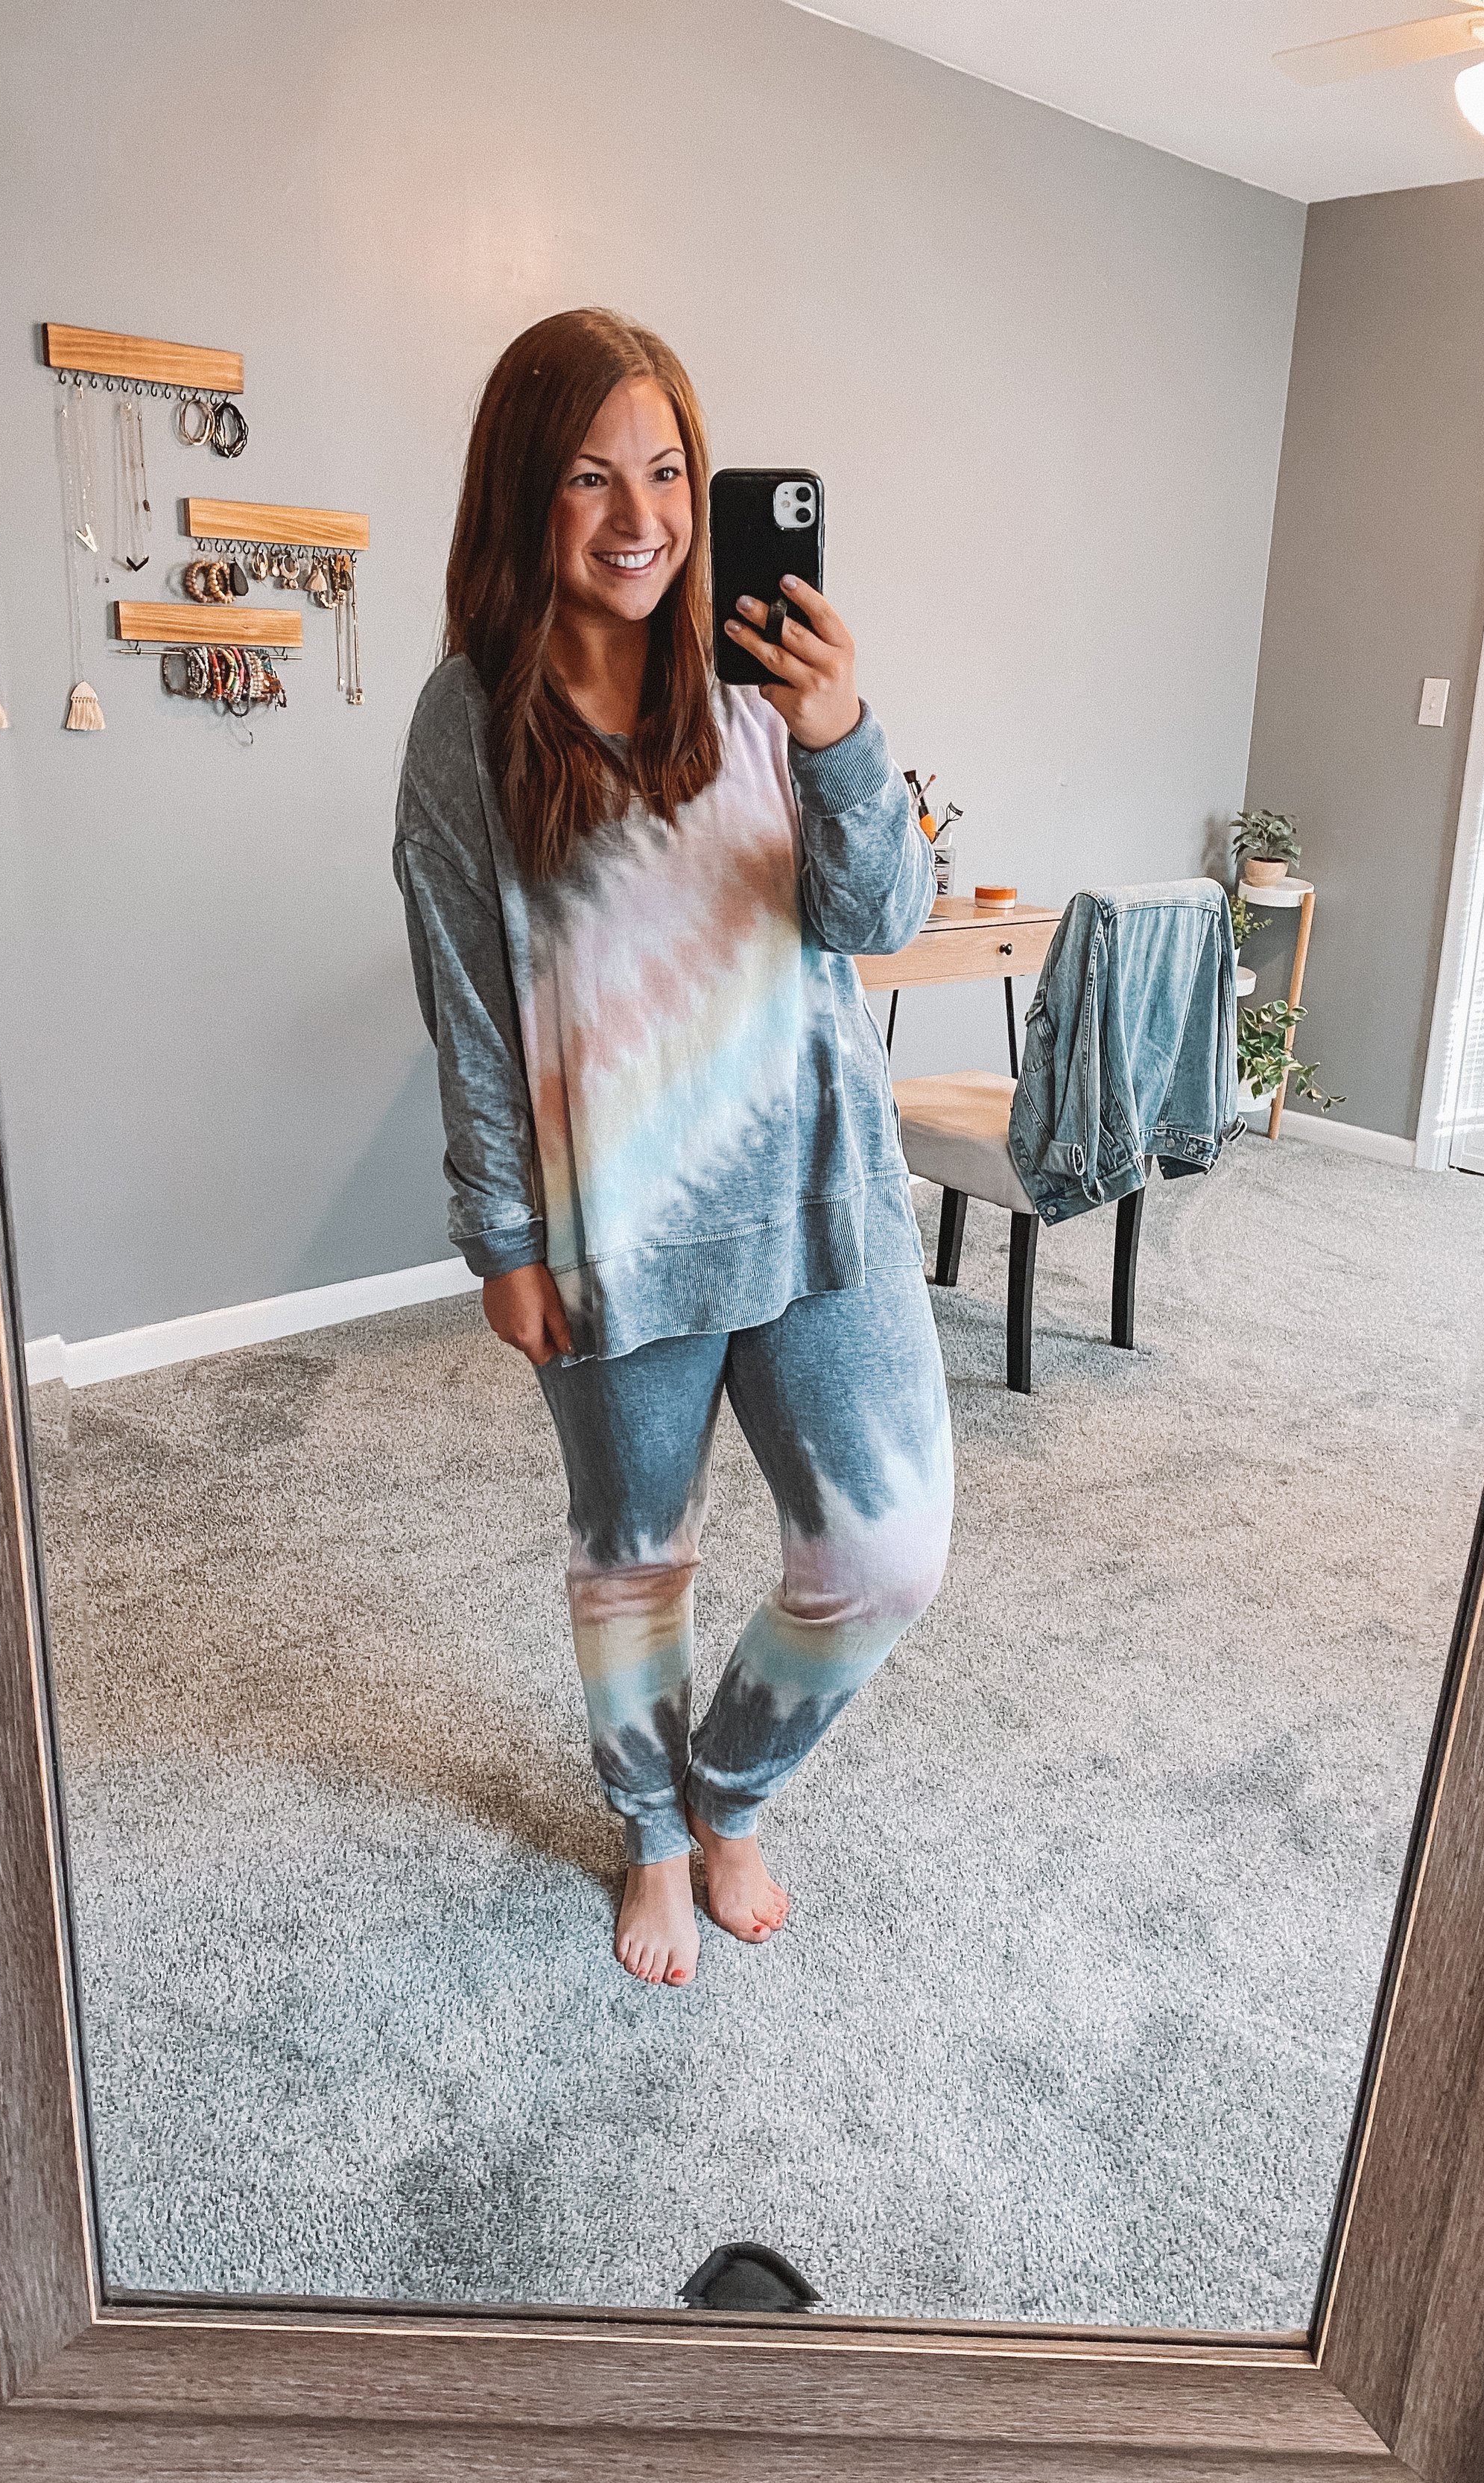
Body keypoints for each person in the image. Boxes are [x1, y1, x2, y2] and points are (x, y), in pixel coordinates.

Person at [394, 308, 954, 1989]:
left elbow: (878, 916)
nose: (639, 517)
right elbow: (468, 999)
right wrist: (500, 1237)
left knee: (884, 1554)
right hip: (615, 1217)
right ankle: (651, 1831)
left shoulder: (764, 676)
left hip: (819, 1189)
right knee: (635, 1549)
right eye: (589, 476)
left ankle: (728, 1787)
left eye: (665, 471)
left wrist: (842, 734)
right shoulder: (469, 720)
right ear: (523, 493)